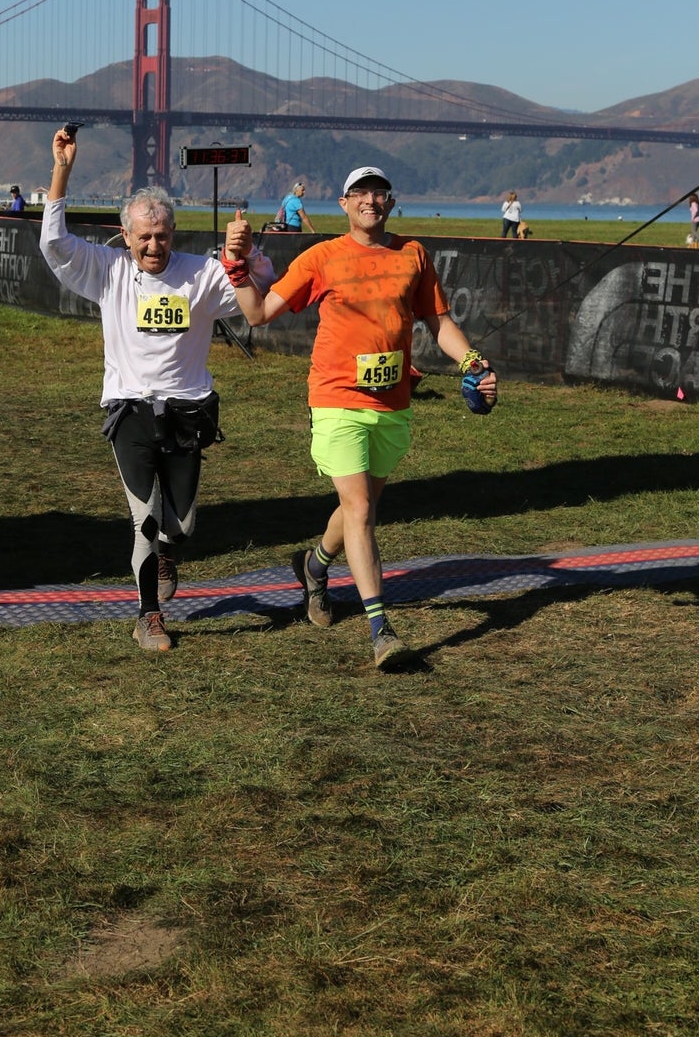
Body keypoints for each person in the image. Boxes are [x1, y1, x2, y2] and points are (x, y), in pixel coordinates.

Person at [223, 165, 497, 671]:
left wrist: (473, 363)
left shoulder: (412, 254)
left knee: (360, 507)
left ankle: (313, 565)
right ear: (343, 204)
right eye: (360, 193)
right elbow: (258, 314)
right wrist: (236, 267)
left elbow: (438, 321)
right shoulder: (322, 257)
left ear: (390, 203)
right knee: (361, 511)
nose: (370, 200)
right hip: (335, 401)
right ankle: (381, 630)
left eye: (379, 192)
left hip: (391, 404)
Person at [40, 126, 275, 654]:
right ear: (125, 236)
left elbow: (263, 291)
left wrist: (247, 253)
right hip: (130, 412)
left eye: (162, 236)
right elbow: (53, 243)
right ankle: (149, 616)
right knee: (144, 519)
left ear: (175, 233)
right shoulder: (107, 270)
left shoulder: (203, 275)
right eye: (143, 237)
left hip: (191, 411)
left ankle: (170, 551)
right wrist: (62, 169)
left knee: (183, 524)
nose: (153, 246)